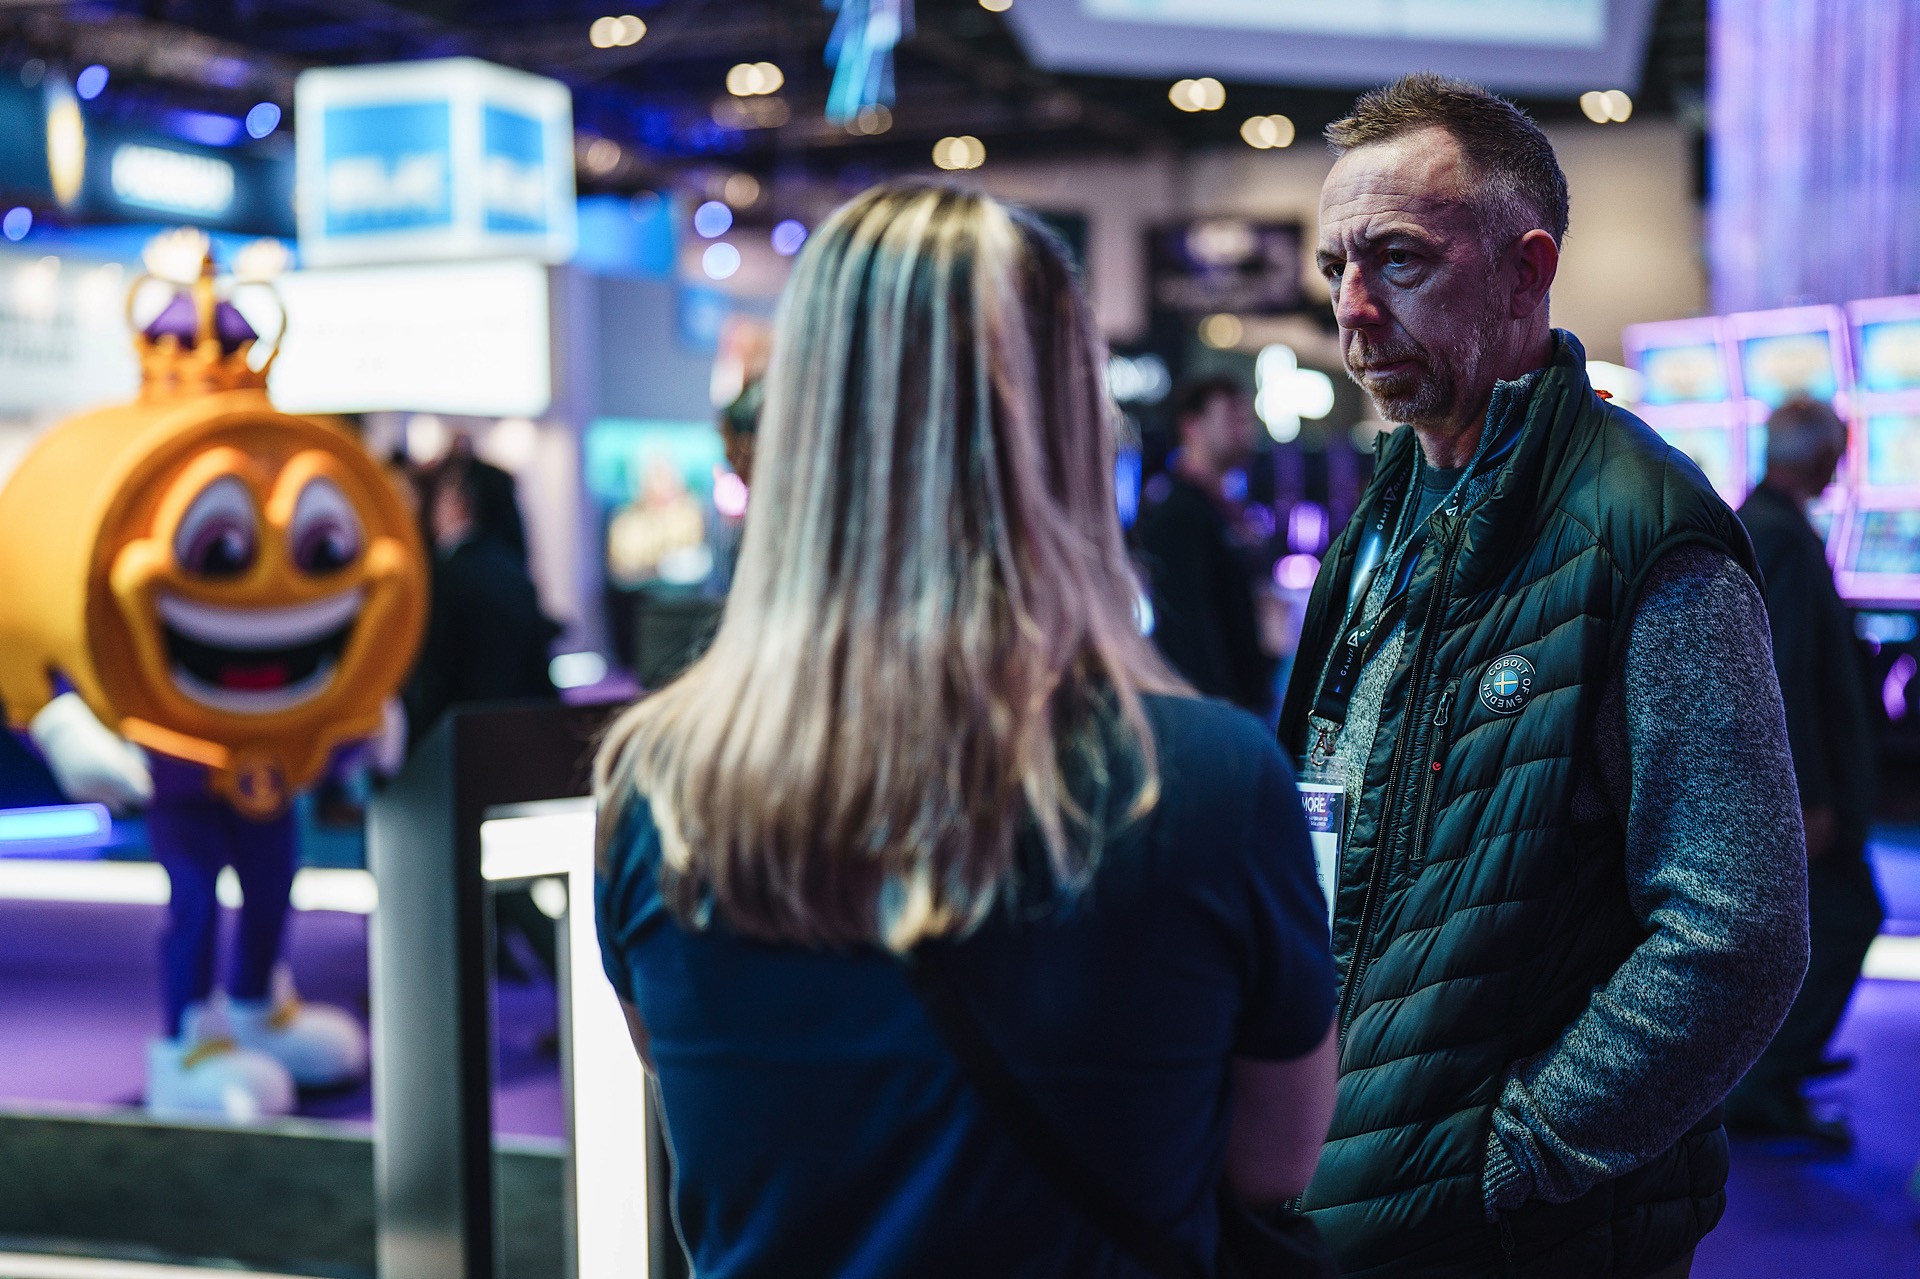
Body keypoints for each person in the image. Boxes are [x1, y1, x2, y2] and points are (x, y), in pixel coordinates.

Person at [595, 182, 1339, 1278]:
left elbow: (711, 1109)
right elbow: (1275, 1163)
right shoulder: (1212, 784)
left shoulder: (655, 787)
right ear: (1071, 425)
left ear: (798, 425)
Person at [1278, 74, 1808, 1279]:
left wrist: (1518, 1157)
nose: (1352, 312)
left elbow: (1737, 935)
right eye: (1333, 271)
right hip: (1346, 1196)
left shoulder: (1646, 530)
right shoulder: (1385, 516)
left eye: (1398, 261)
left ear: (1527, 270)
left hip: (1528, 1237)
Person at [1728, 396, 1884, 1145]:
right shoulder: (1781, 535)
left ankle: (1772, 1068)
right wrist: (1810, 797)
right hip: (1805, 791)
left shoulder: (1765, 521)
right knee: (1847, 916)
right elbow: (1783, 673)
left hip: (1797, 784)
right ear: (1822, 455)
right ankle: (1767, 1079)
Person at [1134, 377, 1279, 715]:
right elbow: (1188, 632)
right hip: (1216, 710)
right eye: (1232, 417)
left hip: (1244, 703)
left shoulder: (1225, 508)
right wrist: (1221, 713)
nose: (1245, 428)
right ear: (1192, 426)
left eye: (1247, 418)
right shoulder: (1176, 510)